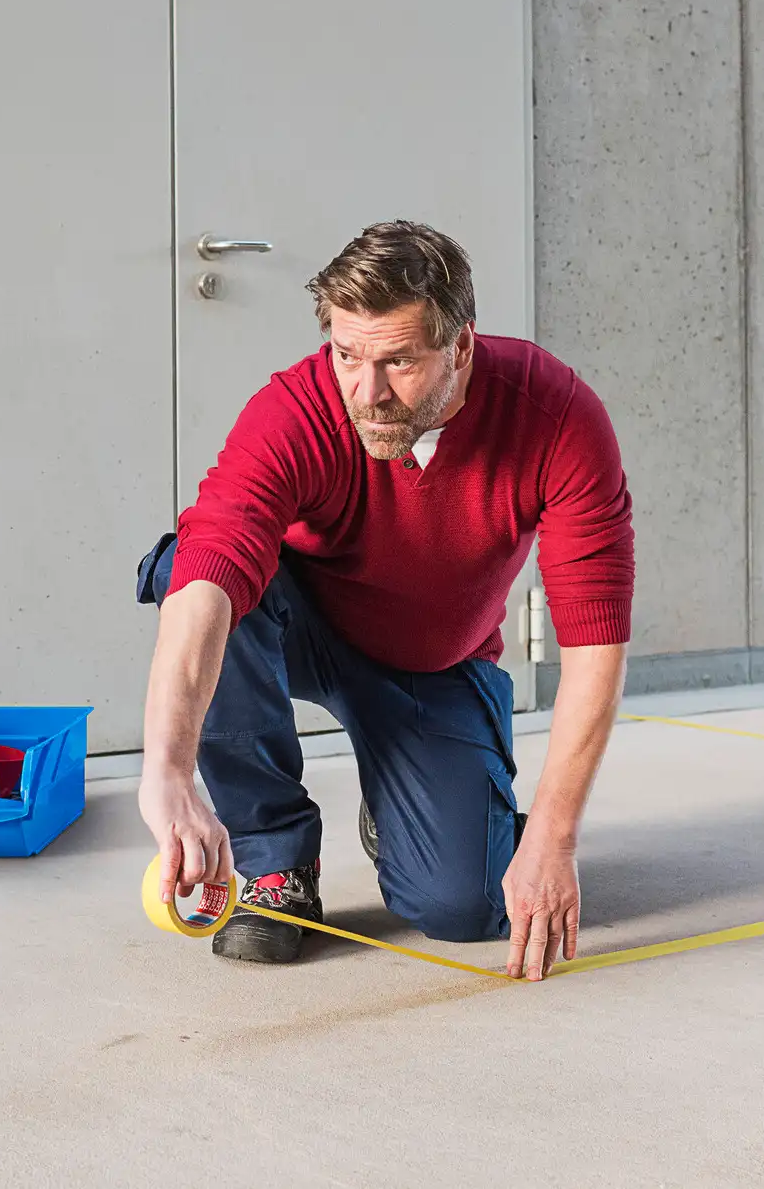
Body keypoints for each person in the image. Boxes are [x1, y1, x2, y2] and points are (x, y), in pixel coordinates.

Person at [134, 220, 634, 981]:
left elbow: (595, 642)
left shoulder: (555, 417)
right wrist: (166, 771)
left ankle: (409, 800)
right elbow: (205, 579)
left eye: (399, 361)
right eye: (347, 356)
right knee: (190, 570)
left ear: (460, 346)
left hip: (434, 661)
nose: (366, 393)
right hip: (301, 626)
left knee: (464, 906)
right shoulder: (296, 410)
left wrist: (554, 837)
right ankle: (275, 864)